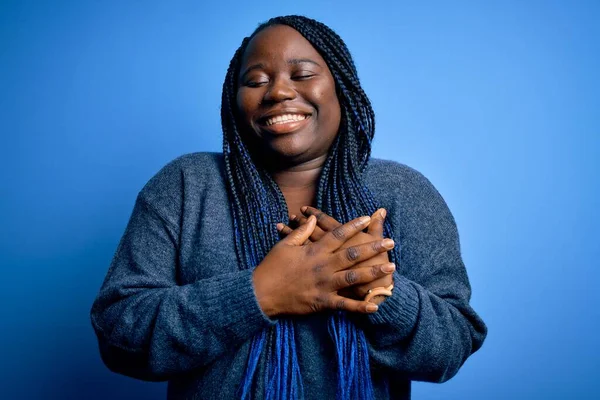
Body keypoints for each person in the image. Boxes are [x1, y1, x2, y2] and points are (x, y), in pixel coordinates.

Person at [90, 15, 487, 400]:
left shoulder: (401, 191)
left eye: (302, 75)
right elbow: (119, 334)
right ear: (235, 100)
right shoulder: (186, 185)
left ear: (340, 89)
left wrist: (382, 292)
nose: (278, 92)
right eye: (256, 80)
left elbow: (451, 347)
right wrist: (260, 293)